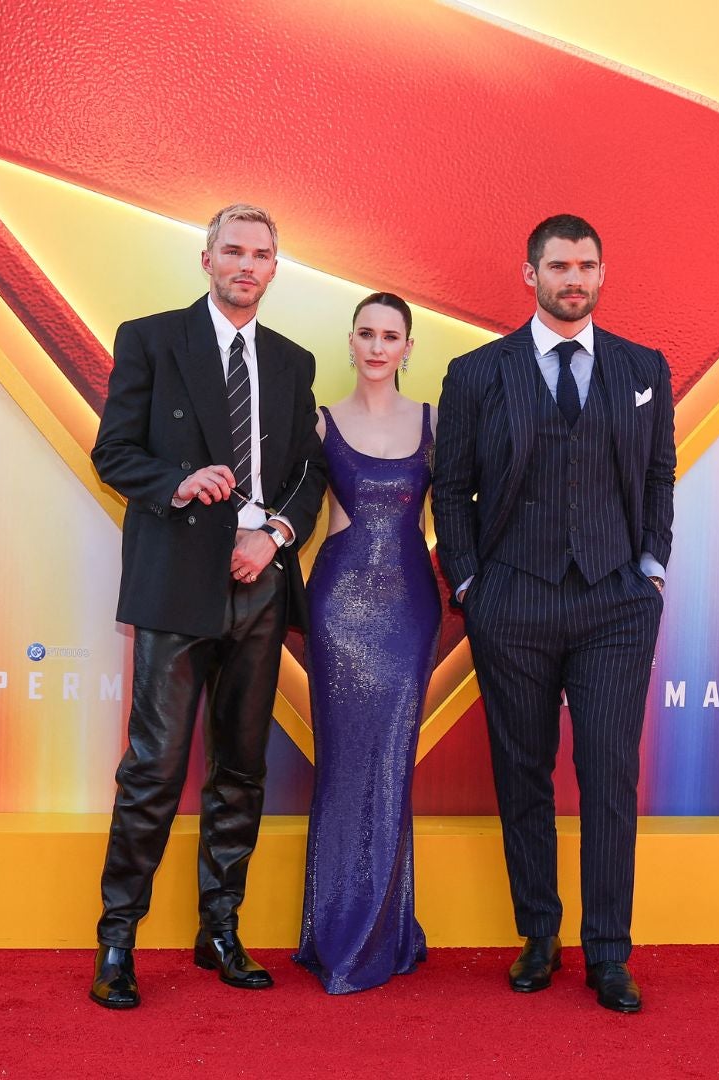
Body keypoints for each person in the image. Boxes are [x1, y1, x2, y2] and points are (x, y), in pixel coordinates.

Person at [86, 203, 328, 1009]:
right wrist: (178, 483)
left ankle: (220, 929)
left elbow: (307, 473)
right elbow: (114, 451)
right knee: (153, 768)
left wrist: (277, 535)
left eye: (261, 253)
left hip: (260, 581)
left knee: (241, 769)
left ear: (274, 267)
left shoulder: (294, 362)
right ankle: (117, 939)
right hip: (175, 580)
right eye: (233, 250)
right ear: (206, 258)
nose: (246, 265)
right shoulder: (150, 339)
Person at [432, 214, 675, 1014]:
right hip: (513, 599)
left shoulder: (643, 368)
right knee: (522, 774)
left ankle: (609, 951)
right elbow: (451, 489)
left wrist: (652, 568)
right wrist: (469, 585)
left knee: (609, 778)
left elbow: (660, 474)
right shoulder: (476, 374)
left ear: (603, 274)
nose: (575, 278)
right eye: (559, 265)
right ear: (529, 273)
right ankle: (539, 934)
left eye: (588, 265)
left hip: (615, 601)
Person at [292, 293, 440, 994]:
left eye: (391, 336)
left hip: (410, 611)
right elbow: (285, 505)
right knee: (346, 767)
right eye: (367, 334)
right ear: (348, 342)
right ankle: (337, 933)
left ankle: (386, 930)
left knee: (390, 768)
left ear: (408, 347)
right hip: (338, 612)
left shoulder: (436, 424)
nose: (378, 347)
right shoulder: (319, 424)